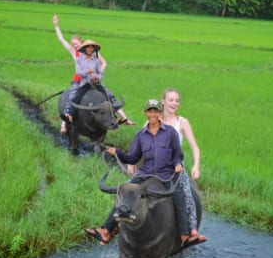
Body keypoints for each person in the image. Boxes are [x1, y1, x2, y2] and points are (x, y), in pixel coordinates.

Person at [84, 99, 190, 245]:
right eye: (149, 111)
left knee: (178, 194)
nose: (153, 114)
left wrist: (178, 163)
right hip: (144, 174)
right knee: (124, 191)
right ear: (145, 113)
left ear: (160, 113)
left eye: (156, 111)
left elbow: (178, 154)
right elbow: (133, 158)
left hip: (166, 174)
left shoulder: (170, 133)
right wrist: (117, 152)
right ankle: (107, 230)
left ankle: (185, 234)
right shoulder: (141, 135)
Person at [52, 15, 133, 133]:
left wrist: (99, 75)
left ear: (82, 42)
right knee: (72, 98)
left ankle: (124, 118)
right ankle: (64, 124)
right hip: (79, 81)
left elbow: (104, 63)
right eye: (73, 44)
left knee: (109, 95)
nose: (75, 45)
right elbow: (61, 39)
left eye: (77, 43)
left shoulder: (94, 53)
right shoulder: (74, 53)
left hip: (94, 80)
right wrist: (56, 25)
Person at [160, 88, 207, 247]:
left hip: (175, 167)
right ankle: (114, 227)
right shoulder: (153, 119)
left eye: (177, 100)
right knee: (130, 189)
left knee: (187, 194)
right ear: (163, 101)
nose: (174, 103)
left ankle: (192, 232)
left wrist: (196, 165)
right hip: (154, 166)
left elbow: (195, 147)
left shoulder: (182, 122)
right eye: (171, 100)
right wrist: (132, 163)